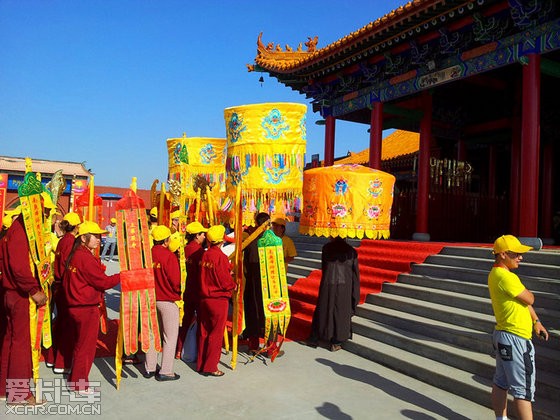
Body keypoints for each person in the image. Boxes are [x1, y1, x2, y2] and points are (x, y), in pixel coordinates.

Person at [488, 235, 549, 420]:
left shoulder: (498, 274)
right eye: (517, 254)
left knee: (501, 382)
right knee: (522, 391)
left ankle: (501, 418)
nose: (520, 257)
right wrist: (529, 295)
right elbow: (530, 298)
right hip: (516, 339)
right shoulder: (506, 277)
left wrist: (536, 321)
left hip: (504, 335)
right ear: (503, 255)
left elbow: (523, 302)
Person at [0, 201, 49, 405]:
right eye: (44, 211)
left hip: (10, 292)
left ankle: (4, 387)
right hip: (20, 295)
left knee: (10, 340)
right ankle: (19, 393)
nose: (45, 215)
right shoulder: (21, 229)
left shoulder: (15, 229)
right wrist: (33, 289)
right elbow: (19, 267)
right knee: (22, 343)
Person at [63, 221, 120, 395]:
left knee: (80, 345)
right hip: (85, 308)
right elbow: (102, 282)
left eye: (99, 236)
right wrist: (121, 276)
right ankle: (80, 384)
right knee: (85, 347)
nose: (98, 239)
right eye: (95, 236)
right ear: (83, 238)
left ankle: (75, 378)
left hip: (76, 306)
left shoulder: (77, 255)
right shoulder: (84, 257)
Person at [307, 236, 360, 352]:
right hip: (344, 286)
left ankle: (316, 336)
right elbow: (355, 273)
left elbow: (324, 267)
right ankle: (336, 342)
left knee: (324, 308)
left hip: (328, 283)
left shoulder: (327, 248)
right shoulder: (351, 251)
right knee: (341, 311)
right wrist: (355, 293)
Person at [197, 225, 235, 377]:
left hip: (204, 297)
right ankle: (211, 366)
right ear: (221, 240)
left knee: (204, 331)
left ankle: (201, 363)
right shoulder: (220, 257)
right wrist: (234, 284)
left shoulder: (205, 255)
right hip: (218, 299)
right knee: (216, 333)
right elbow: (225, 281)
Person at [46, 211, 81, 374]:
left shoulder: (62, 241)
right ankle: (61, 363)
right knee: (67, 325)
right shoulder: (71, 242)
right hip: (65, 286)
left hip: (58, 285)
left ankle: (52, 359)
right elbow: (69, 267)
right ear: (76, 227)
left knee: (59, 323)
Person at [145, 226, 181, 381]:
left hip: (149, 298)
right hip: (166, 299)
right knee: (170, 336)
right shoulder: (168, 256)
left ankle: (149, 368)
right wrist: (178, 292)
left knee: (152, 335)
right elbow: (175, 280)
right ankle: (166, 370)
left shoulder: (146, 254)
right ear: (167, 241)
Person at [176, 221, 208, 359]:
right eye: (202, 234)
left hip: (187, 290)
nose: (204, 237)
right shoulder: (199, 251)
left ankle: (178, 349)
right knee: (201, 322)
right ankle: (198, 351)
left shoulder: (184, 248)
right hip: (198, 290)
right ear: (196, 236)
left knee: (185, 320)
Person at [242, 212, 270, 353]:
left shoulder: (251, 240)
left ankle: (253, 345)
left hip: (252, 283)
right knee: (268, 313)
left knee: (253, 312)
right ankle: (270, 346)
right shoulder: (272, 241)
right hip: (268, 285)